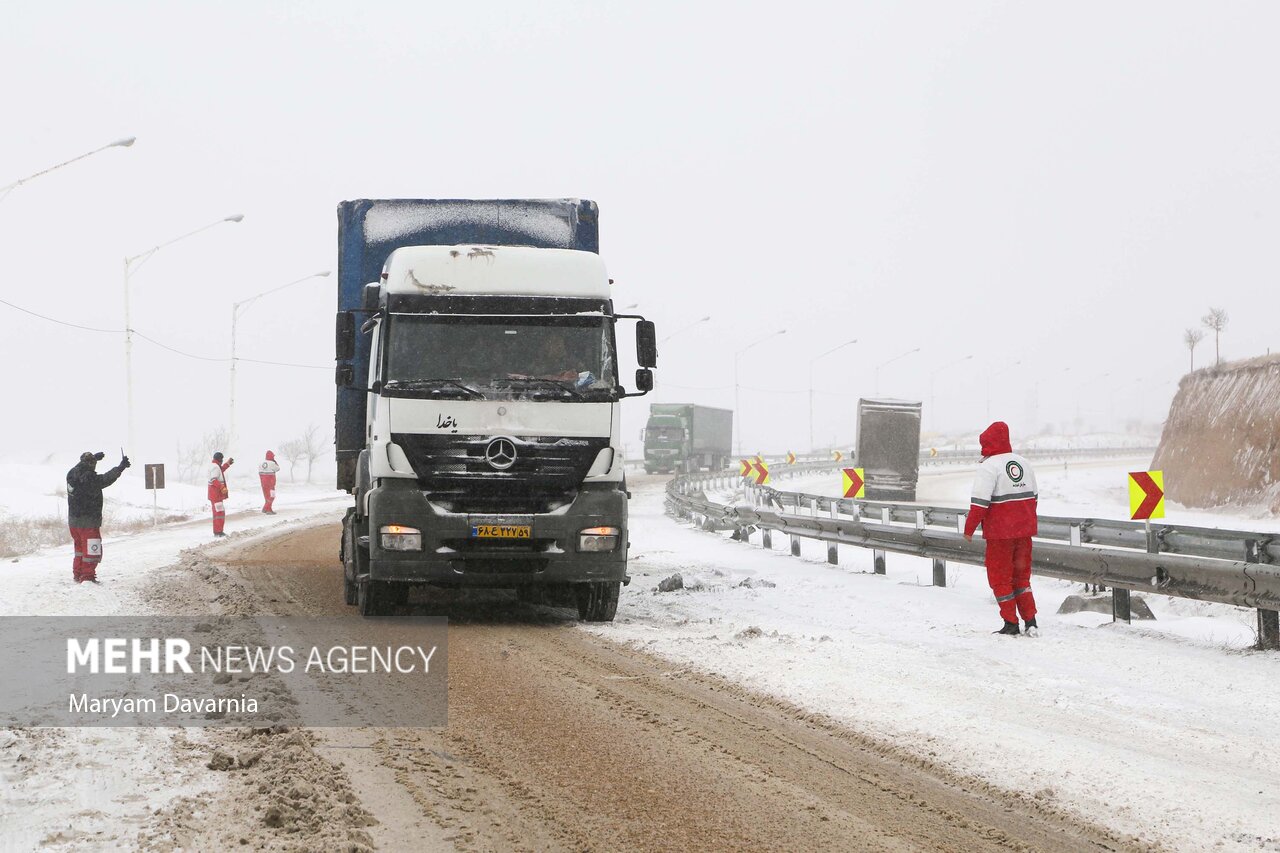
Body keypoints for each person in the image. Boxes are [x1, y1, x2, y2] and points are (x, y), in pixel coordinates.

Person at [963, 422, 1040, 636]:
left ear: (986, 442)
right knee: (1022, 578)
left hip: (1000, 535)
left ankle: (1010, 623)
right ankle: (1031, 620)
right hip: (1024, 533)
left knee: (1000, 578)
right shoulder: (1024, 463)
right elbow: (1034, 498)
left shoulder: (988, 467)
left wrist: (969, 529)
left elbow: (979, 503)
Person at [66, 451, 130, 583]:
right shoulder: (89, 478)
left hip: (74, 522)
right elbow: (105, 479)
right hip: (88, 521)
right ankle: (87, 577)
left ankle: (78, 574)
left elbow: (82, 467)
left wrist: (94, 458)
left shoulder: (72, 473)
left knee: (80, 549)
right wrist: (120, 467)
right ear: (91, 464)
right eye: (93, 463)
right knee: (91, 550)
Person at [208, 451, 234, 537]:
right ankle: (218, 532)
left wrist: (228, 464)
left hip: (215, 494)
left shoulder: (215, 466)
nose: (222, 461)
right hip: (216, 495)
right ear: (219, 459)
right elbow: (214, 480)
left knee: (217, 513)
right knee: (219, 513)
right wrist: (222, 487)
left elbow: (221, 470)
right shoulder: (215, 467)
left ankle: (217, 531)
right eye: (222, 459)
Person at [258, 450, 280, 514]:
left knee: (267, 497)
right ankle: (267, 509)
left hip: (263, 484)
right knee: (272, 496)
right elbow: (278, 468)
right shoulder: (272, 463)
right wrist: (275, 462)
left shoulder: (261, 463)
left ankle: (266, 509)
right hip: (271, 484)